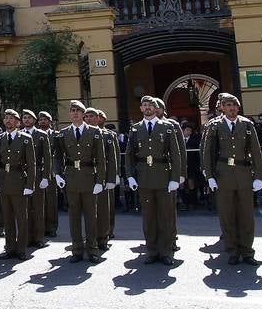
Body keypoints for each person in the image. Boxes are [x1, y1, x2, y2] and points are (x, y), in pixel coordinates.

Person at [201, 93, 262, 266]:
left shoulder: (247, 124)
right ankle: (232, 250)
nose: (232, 108)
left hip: (243, 173)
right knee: (227, 215)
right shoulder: (214, 126)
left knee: (246, 215)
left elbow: (256, 153)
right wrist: (210, 176)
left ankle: (247, 251)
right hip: (223, 174)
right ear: (222, 107)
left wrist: (258, 177)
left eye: (235, 105)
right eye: (228, 105)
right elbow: (207, 153)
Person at [126, 96, 184, 266]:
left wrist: (175, 177)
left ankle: (166, 251)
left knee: (165, 216)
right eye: (144, 105)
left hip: (163, 176)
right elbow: (130, 155)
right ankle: (152, 251)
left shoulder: (167, 127)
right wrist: (130, 176)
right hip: (144, 176)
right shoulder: (135, 129)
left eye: (150, 105)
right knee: (149, 217)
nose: (148, 108)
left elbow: (175, 154)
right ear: (141, 109)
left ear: (155, 108)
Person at [53, 100, 105, 263]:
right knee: (73, 216)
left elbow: (101, 159)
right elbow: (57, 156)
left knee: (91, 216)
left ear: (83, 114)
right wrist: (58, 174)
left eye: (78, 110)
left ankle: (93, 249)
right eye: (72, 110)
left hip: (89, 176)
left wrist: (100, 181)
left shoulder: (95, 133)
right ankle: (76, 250)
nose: (74, 113)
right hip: (71, 178)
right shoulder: (63, 133)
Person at [0, 108, 36, 260]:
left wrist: (30, 185)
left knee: (21, 217)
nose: (8, 120)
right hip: (3, 181)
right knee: (6, 217)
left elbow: (31, 164)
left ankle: (21, 248)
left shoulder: (25, 138)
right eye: (6, 118)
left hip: (19, 180)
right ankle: (9, 248)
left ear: (17, 122)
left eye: (11, 118)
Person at [19, 109, 53, 250]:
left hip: (38, 173)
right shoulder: (19, 135)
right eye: (24, 118)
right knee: (24, 208)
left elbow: (47, 158)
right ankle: (27, 237)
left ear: (34, 120)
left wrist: (46, 176)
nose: (26, 120)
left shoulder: (41, 135)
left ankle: (39, 238)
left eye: (29, 118)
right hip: (23, 174)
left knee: (38, 207)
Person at [88, 107, 119, 251]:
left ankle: (105, 235)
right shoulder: (84, 133)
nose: (91, 119)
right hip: (88, 175)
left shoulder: (108, 135)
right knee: (90, 209)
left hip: (105, 175)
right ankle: (92, 236)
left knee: (105, 208)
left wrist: (114, 176)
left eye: (95, 116)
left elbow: (114, 157)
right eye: (87, 116)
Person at [36, 111, 60, 236]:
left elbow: (60, 154)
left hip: (51, 170)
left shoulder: (56, 135)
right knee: (39, 201)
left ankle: (51, 227)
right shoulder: (35, 134)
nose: (42, 122)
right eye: (40, 120)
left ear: (50, 121)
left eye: (45, 119)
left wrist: (57, 171)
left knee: (51, 200)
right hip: (39, 170)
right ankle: (41, 226)